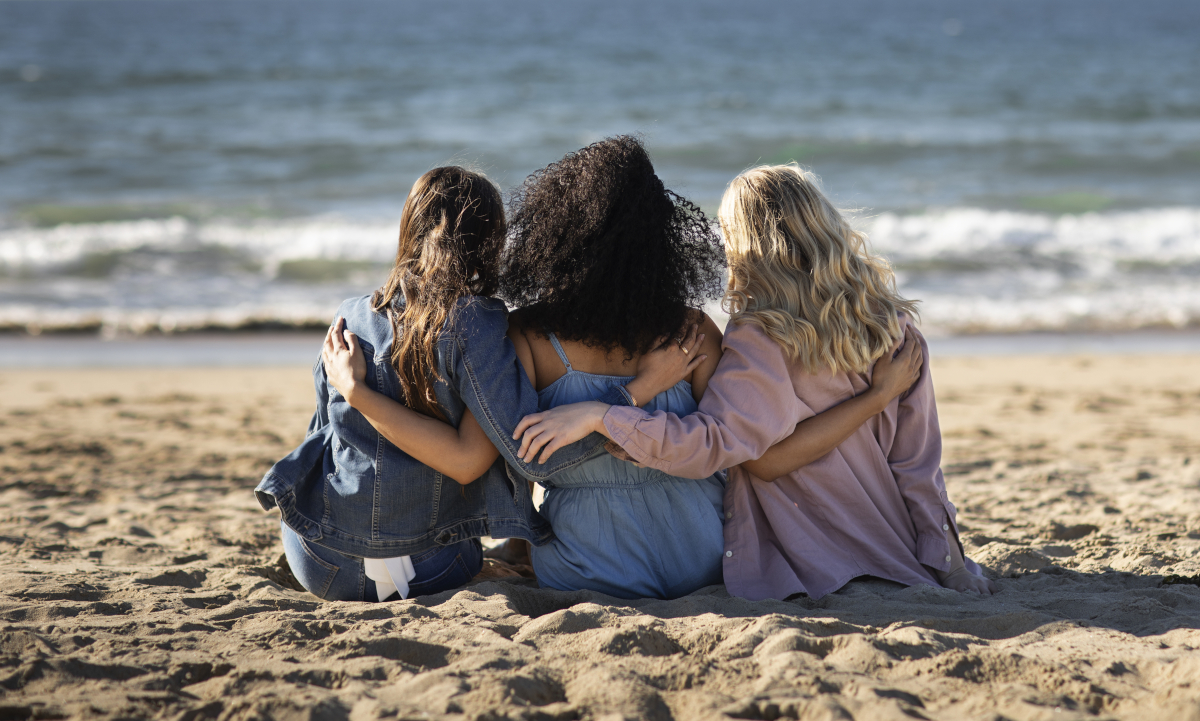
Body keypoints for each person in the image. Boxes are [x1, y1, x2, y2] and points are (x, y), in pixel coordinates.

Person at [513, 164, 995, 601]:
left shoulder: (759, 335)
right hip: (893, 547)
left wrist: (607, 415)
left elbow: (736, 450)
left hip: (811, 556)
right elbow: (919, 466)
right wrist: (950, 564)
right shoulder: (896, 329)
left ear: (744, 244)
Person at [254, 166, 629, 602]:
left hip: (321, 561)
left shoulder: (348, 315)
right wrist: (620, 416)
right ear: (488, 244)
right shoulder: (477, 323)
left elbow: (322, 434)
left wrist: (357, 393)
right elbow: (509, 452)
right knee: (500, 417)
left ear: (409, 228)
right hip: (433, 569)